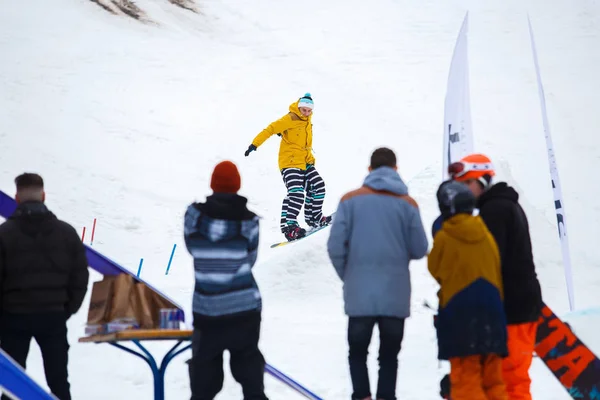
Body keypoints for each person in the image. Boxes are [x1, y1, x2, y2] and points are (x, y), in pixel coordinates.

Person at [326, 147, 429, 400]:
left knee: (358, 353)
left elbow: (334, 246)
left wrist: (349, 275)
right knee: (389, 357)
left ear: (369, 170)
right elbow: (420, 248)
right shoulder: (408, 204)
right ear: (396, 169)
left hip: (359, 295)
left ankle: (362, 396)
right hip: (395, 296)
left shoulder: (349, 201)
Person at [448, 153, 543, 400]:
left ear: (482, 181)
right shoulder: (503, 206)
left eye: (466, 184)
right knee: (507, 381)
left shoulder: (495, 211)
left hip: (512, 310)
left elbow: (488, 266)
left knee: (510, 383)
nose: (463, 192)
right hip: (517, 307)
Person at [183, 160, 268, 400]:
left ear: (213, 185)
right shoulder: (249, 221)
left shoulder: (194, 217)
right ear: (237, 186)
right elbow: (250, 259)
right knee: (250, 375)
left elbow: (192, 248)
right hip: (244, 309)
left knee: (203, 381)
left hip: (207, 310)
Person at [0, 173, 89, 400]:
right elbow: (80, 277)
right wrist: (66, 309)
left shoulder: (4, 235)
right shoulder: (66, 233)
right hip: (53, 317)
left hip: (13, 319)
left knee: (12, 386)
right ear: (43, 195)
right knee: (59, 383)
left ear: (17, 198)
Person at [428, 180, 508, 400]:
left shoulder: (445, 235)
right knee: (494, 380)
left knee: (466, 380)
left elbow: (435, 268)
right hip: (493, 314)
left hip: (462, 315)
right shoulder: (485, 231)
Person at [244, 93, 332, 242]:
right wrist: (255, 144)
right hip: (290, 163)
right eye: (303, 110)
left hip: (306, 162)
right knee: (296, 193)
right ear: (299, 107)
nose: (306, 113)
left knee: (318, 185)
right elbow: (271, 129)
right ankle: (289, 227)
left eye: (309, 111)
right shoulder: (290, 118)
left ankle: (314, 218)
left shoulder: (307, 121)